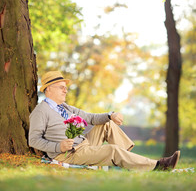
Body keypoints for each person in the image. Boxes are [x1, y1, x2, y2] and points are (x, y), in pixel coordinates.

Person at [29, 71, 180, 171]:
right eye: (61, 87)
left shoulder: (65, 107)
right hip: (68, 153)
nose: (65, 90)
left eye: (65, 87)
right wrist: (58, 146)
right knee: (112, 150)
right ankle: (159, 166)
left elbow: (90, 118)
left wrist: (110, 115)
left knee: (106, 123)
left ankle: (129, 161)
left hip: (84, 144)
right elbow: (33, 140)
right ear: (48, 89)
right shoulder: (40, 111)